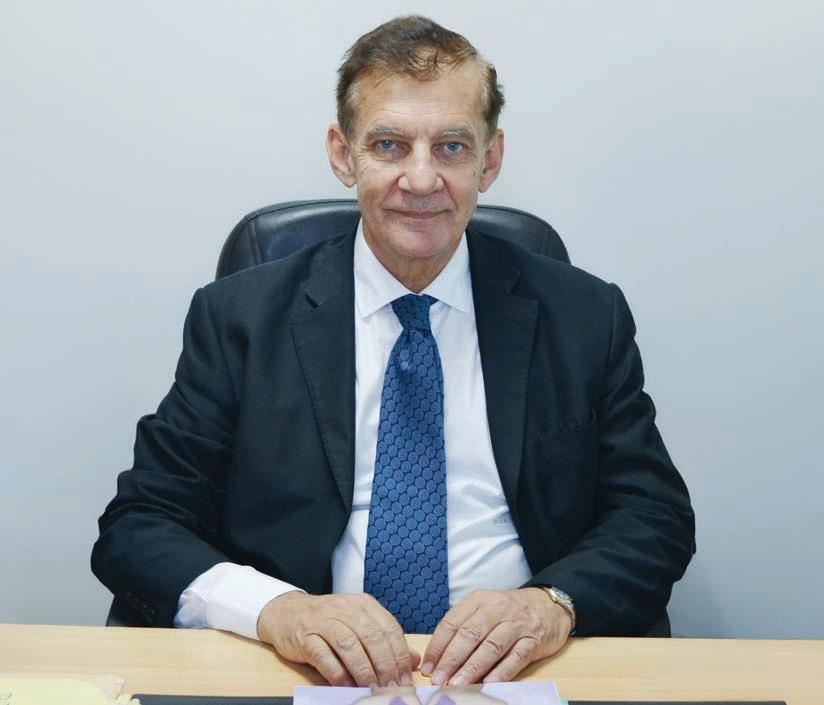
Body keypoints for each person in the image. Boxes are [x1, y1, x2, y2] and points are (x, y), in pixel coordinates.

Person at [92, 15, 695, 690]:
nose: (421, 178)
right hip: (303, 672)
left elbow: (654, 516)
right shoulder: (240, 319)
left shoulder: (583, 316)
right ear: (342, 154)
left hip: (518, 671)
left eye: (451, 147)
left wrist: (550, 605)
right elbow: (138, 525)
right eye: (389, 145)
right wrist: (279, 611)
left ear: (490, 160)